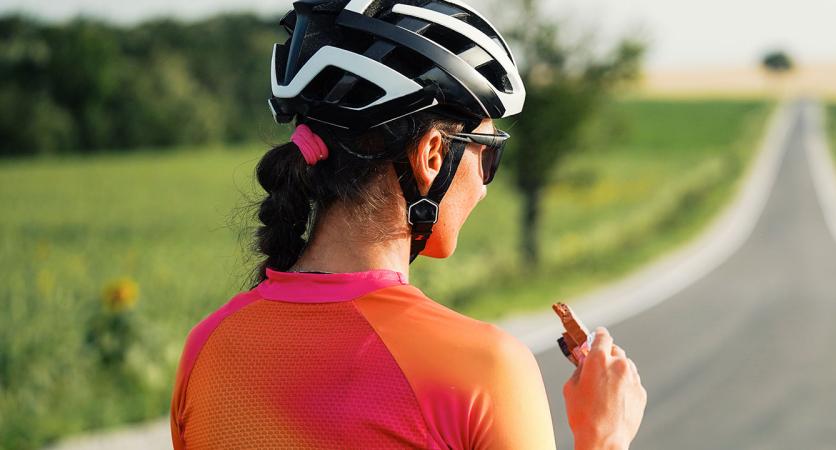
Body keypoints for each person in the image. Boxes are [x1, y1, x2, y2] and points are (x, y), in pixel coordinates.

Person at [168, 0, 647, 448]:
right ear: (432, 156)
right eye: (489, 155)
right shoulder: (485, 369)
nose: (483, 186)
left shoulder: (207, 349)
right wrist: (605, 435)